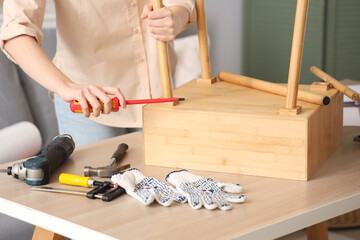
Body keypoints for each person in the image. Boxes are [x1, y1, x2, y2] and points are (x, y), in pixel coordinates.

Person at [0, 0, 196, 145]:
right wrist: (65, 86)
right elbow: (15, 31)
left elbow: (181, 4)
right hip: (87, 101)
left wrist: (178, 15)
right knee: (98, 194)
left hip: (159, 87)